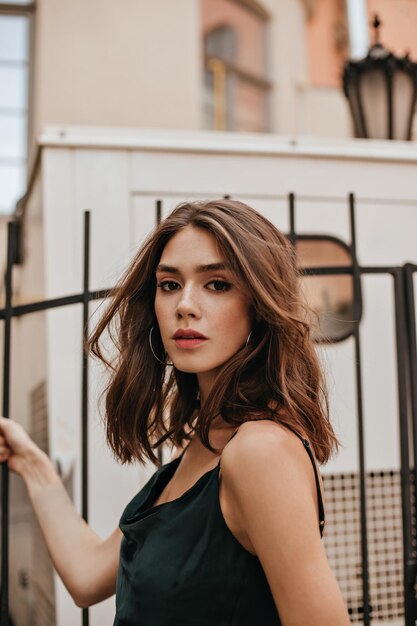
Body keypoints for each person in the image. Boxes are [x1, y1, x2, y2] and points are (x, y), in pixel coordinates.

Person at [0, 200, 351, 625]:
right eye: (169, 284)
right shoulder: (201, 446)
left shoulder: (261, 451)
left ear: (259, 304)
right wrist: (32, 465)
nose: (185, 304)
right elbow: (88, 577)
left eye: (217, 284)